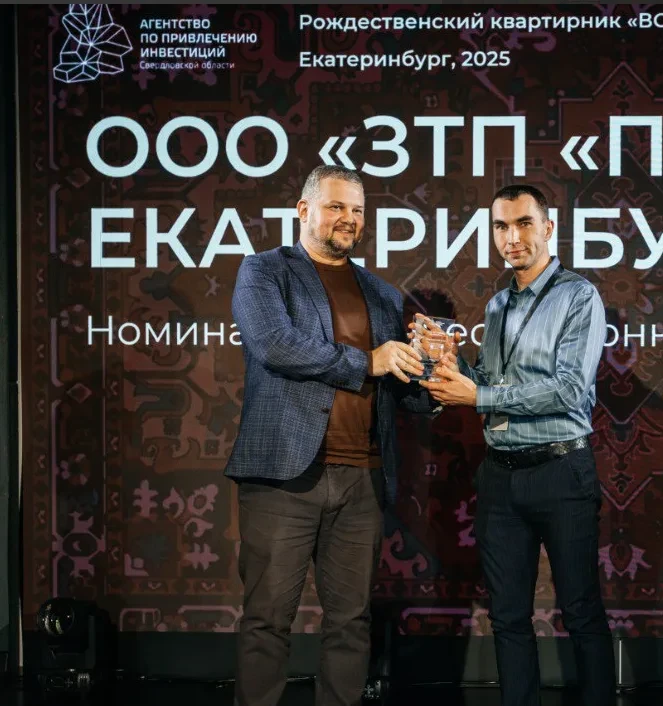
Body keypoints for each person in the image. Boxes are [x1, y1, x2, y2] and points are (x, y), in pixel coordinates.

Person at [225, 165, 441, 706]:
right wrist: (368, 360)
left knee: (351, 622)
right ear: (303, 210)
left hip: (362, 479)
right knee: (267, 619)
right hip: (284, 476)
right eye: (336, 206)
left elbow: (402, 392)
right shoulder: (264, 271)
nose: (349, 219)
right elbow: (275, 345)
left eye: (358, 210)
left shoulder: (382, 293)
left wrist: (434, 372)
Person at [420, 184, 612, 706]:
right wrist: (450, 362)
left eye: (524, 223)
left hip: (561, 471)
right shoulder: (498, 303)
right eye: (501, 226)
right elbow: (488, 381)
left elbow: (569, 389)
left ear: (548, 228)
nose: (512, 237)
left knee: (581, 612)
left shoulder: (578, 296)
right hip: (500, 477)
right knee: (507, 616)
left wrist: (478, 394)